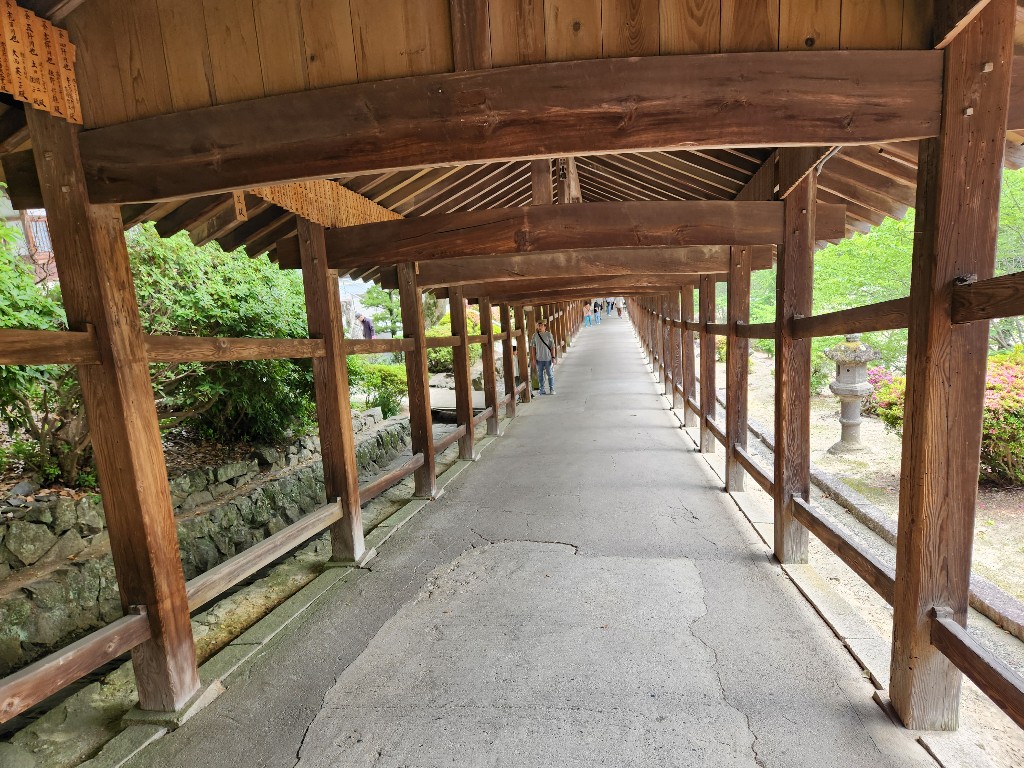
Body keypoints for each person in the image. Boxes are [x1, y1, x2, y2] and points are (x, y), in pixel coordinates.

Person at [531, 319, 556, 395]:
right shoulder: (535, 335)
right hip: (539, 359)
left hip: (548, 358)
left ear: (545, 326)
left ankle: (552, 389)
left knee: (550, 374)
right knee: (540, 375)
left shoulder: (549, 334)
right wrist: (534, 359)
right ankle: (542, 389)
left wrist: (553, 357)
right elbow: (533, 348)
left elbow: (552, 346)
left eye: (541, 325)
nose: (539, 327)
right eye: (538, 325)